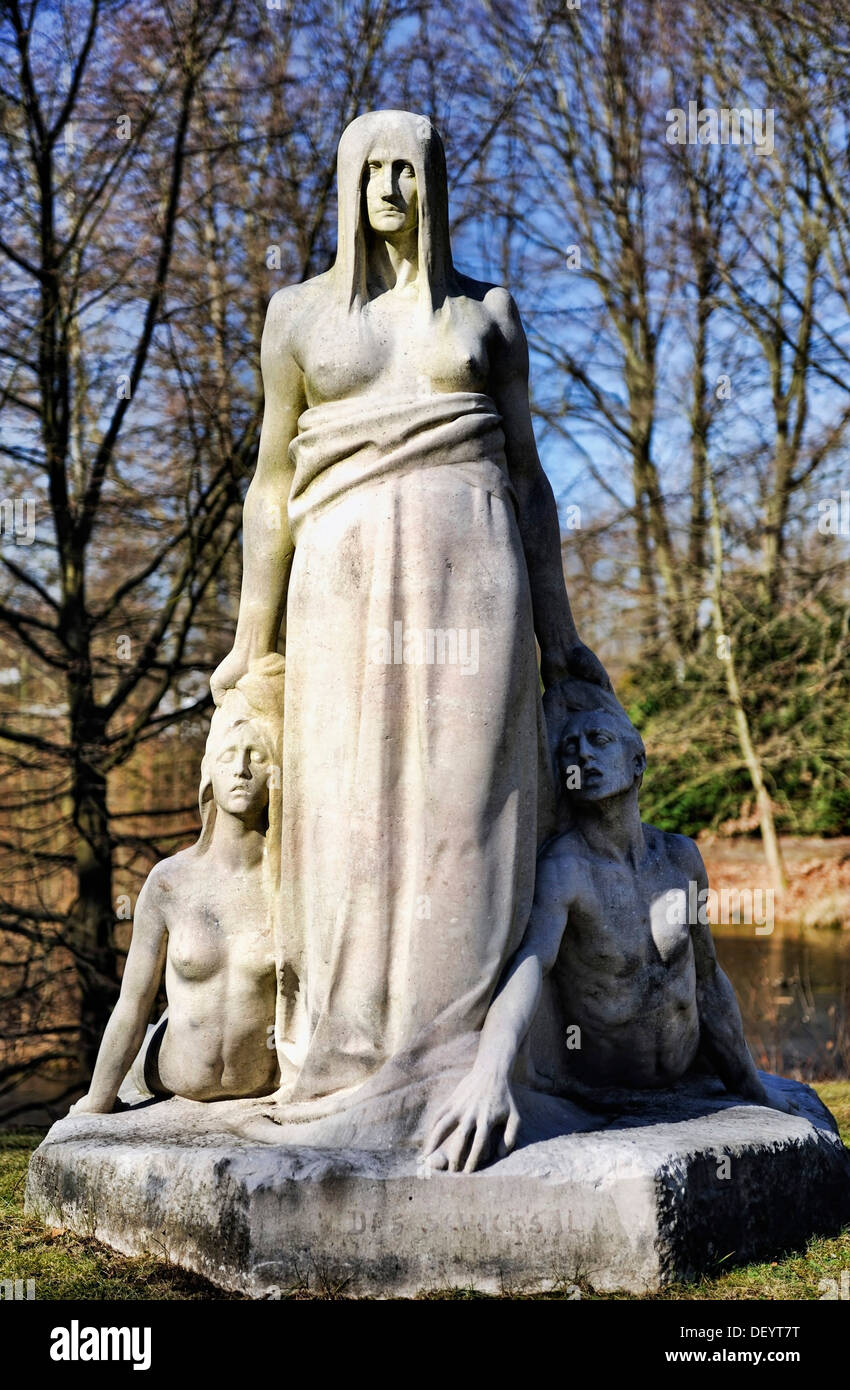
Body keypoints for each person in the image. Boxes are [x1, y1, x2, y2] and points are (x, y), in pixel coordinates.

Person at [210, 110, 608, 1124]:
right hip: (338, 578)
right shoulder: (299, 316)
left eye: (408, 169)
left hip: (473, 568)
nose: (390, 186)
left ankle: (467, 1060)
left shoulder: (488, 312)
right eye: (371, 169)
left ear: (434, 183)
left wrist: (558, 634)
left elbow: (528, 480)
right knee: (345, 805)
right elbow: (268, 486)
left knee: (467, 805)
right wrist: (251, 638)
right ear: (347, 184)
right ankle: (347, 1049)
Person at [423, 679, 794, 1172]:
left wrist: (749, 1085)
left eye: (600, 741)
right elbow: (532, 962)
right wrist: (489, 1074)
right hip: (604, 1092)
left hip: (684, 1078)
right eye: (570, 750)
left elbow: (707, 978)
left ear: (637, 761)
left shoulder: (681, 858)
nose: (583, 757)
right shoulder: (566, 869)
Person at [71, 659, 284, 1112]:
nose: (242, 770)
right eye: (229, 756)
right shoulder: (171, 881)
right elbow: (133, 1001)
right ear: (209, 772)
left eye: (258, 756)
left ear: (277, 774)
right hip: (164, 1073)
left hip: (259, 1087)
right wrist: (95, 1101)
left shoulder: (292, 886)